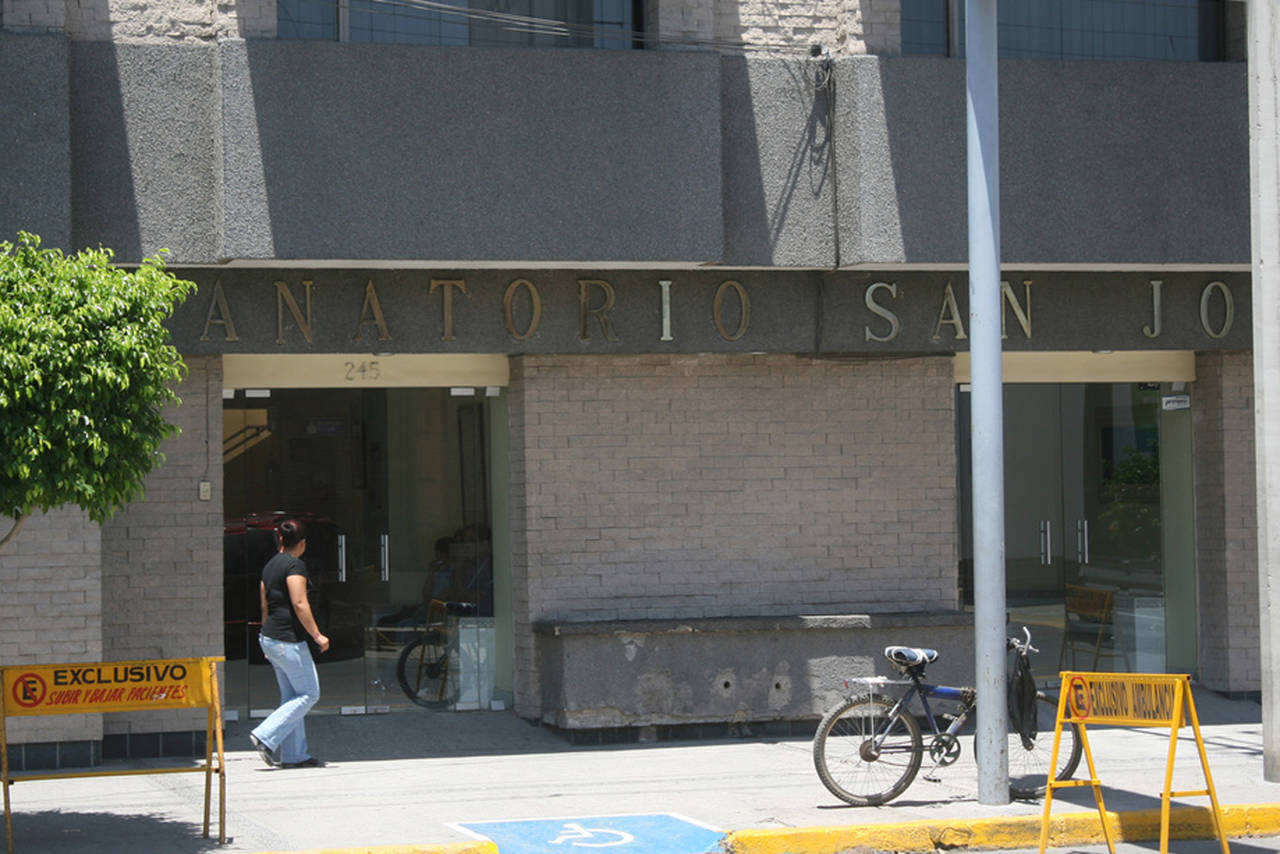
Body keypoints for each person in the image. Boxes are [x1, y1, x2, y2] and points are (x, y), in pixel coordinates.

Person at [249, 519, 329, 769]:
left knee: (292, 698)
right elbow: (299, 603)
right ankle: (265, 735)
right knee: (309, 694)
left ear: (281, 540)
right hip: (288, 640)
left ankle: (295, 756)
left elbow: (264, 606)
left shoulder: (270, 566)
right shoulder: (295, 566)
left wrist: (267, 641)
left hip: (271, 638)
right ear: (302, 543)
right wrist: (317, 635)